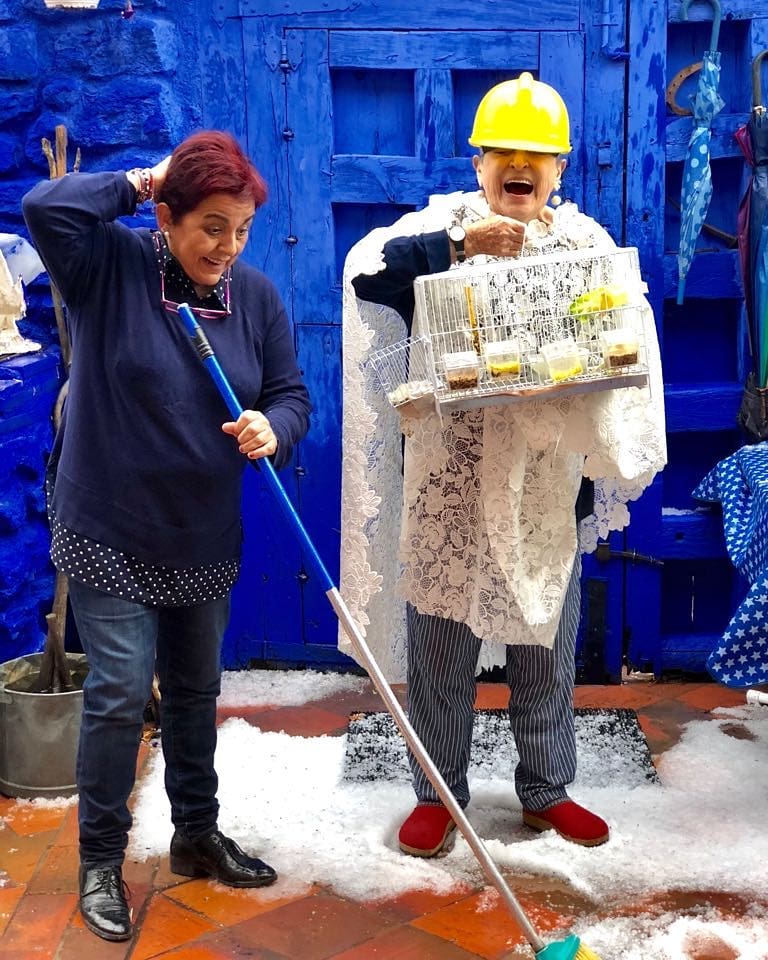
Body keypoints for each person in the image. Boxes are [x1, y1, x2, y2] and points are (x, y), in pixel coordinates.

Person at [341, 73, 665, 857]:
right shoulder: (437, 229)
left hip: (545, 488)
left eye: (538, 157)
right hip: (449, 483)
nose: (520, 167)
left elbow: (628, 338)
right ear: (478, 161)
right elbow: (367, 278)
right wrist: (459, 248)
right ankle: (438, 793)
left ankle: (547, 788)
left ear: (560, 168)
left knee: (544, 647)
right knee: (441, 646)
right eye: (503, 154)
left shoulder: (583, 247)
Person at [22, 132, 311, 942]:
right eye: (212, 225)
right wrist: (143, 178)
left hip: (201, 531)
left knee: (194, 689)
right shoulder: (108, 268)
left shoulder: (253, 298)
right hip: (110, 523)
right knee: (118, 692)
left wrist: (272, 427)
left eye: (243, 228)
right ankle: (99, 862)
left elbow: (292, 395)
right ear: (168, 213)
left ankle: (195, 834)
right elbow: (46, 205)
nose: (229, 246)